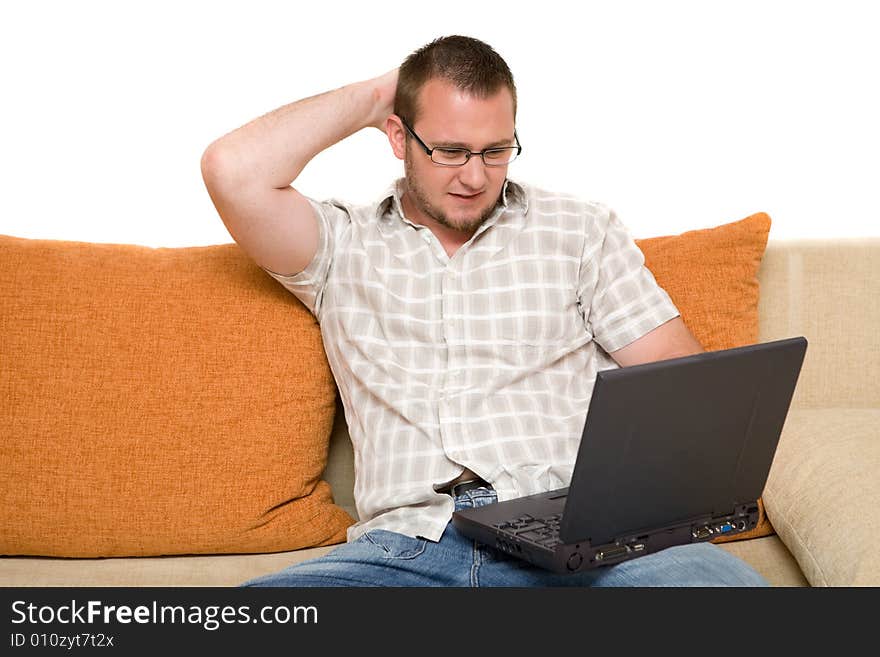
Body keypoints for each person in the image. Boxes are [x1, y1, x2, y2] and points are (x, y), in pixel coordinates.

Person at [200, 35, 767, 586]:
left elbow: (675, 371)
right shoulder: (340, 244)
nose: (475, 177)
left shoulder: (579, 230)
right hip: (408, 547)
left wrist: (626, 508)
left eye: (495, 152)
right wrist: (379, 96)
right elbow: (232, 170)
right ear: (398, 136)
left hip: (577, 537)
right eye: (449, 151)